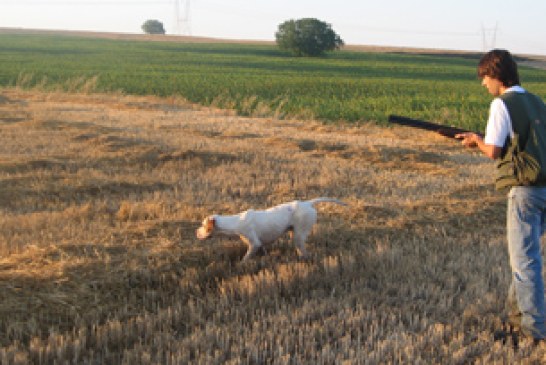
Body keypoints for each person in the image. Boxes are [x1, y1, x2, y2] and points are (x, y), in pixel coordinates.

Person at [456, 49, 546, 344]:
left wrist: (476, 141)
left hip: (525, 193)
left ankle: (534, 332)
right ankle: (517, 319)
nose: (484, 84)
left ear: (496, 75)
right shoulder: (536, 101)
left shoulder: (501, 104)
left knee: (525, 264)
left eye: (485, 78)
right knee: (525, 260)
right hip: (545, 188)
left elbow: (494, 150)